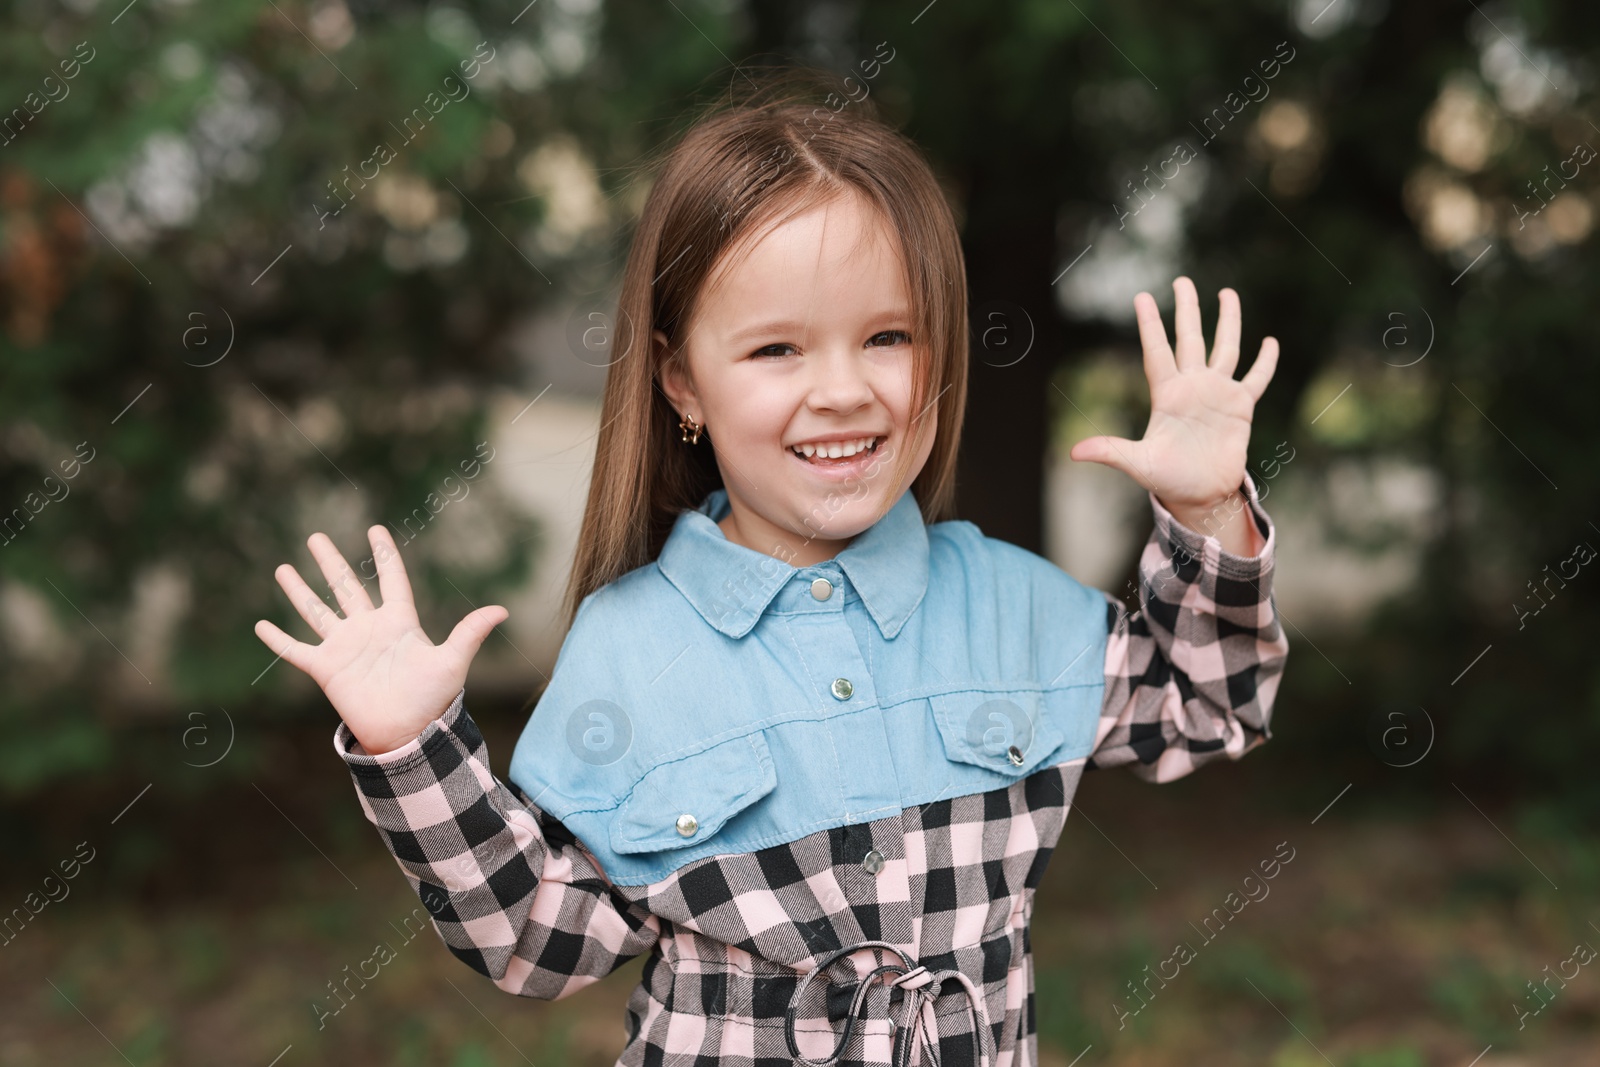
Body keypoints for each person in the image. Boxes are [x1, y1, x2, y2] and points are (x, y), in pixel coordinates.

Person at [254, 68, 1289, 1067]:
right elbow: (537, 942)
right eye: (776, 350)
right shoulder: (632, 648)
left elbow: (1206, 706)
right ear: (680, 380)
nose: (840, 390)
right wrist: (413, 749)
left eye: (886, 335)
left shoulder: (1007, 603)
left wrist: (1206, 514)